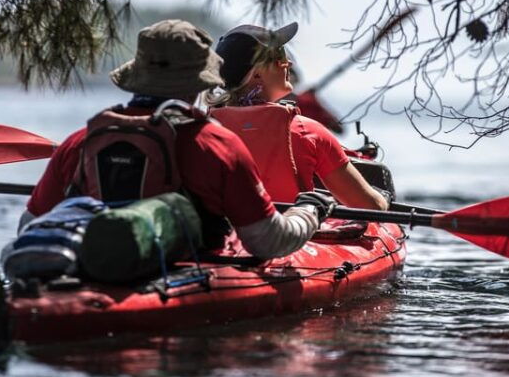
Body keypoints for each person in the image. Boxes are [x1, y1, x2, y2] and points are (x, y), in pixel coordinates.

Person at [23, 19, 334, 259]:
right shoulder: (216, 145)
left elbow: (28, 227)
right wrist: (307, 211)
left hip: (97, 270)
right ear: (199, 82)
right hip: (185, 281)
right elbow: (268, 241)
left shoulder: (80, 141)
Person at [208, 22, 389, 211]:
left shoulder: (200, 130)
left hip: (224, 235)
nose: (289, 63)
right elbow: (370, 206)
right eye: (280, 56)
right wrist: (384, 197)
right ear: (258, 74)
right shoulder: (308, 132)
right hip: (291, 234)